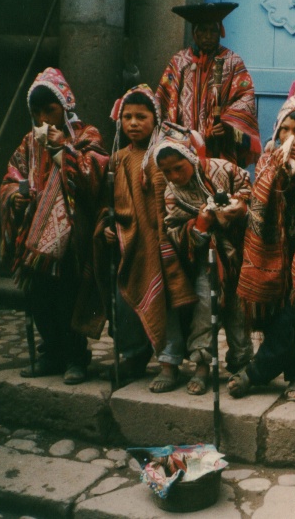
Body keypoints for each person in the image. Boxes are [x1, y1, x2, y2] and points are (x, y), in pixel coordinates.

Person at [0, 67, 108, 384]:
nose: (45, 119)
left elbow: (94, 174)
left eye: (51, 110)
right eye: (38, 112)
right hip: (34, 237)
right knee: (37, 297)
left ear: (65, 106)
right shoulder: (28, 143)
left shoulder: (87, 135)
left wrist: (62, 149)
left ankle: (76, 357)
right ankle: (51, 353)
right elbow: (12, 176)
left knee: (67, 297)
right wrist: (14, 198)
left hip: (72, 237)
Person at [97, 85, 197, 389]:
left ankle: (169, 364)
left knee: (165, 305)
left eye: (141, 116)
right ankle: (134, 356)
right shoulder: (117, 159)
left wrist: (162, 244)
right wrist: (106, 226)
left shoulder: (158, 158)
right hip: (130, 245)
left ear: (154, 119)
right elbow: (108, 204)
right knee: (126, 302)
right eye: (127, 117)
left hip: (159, 244)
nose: (133, 123)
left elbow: (166, 204)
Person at [232, 92, 295, 400]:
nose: (291, 137)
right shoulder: (267, 160)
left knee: (292, 314)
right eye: (285, 129)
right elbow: (260, 200)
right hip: (272, 254)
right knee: (279, 319)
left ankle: (252, 375)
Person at [153, 122, 254, 396]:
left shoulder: (223, 169)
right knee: (204, 307)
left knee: (238, 313)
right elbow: (174, 230)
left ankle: (242, 365)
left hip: (239, 255)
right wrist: (200, 225)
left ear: (191, 158)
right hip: (205, 262)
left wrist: (240, 206)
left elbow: (249, 191)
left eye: (179, 167)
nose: (174, 175)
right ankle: (201, 366)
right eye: (167, 171)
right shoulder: (171, 194)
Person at [156, 2, 261, 167]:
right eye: (203, 30)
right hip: (184, 144)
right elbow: (164, 100)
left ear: (220, 32)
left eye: (213, 31)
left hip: (221, 145)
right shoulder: (179, 61)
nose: (208, 36)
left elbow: (245, 97)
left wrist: (227, 126)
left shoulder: (232, 62)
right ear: (194, 33)